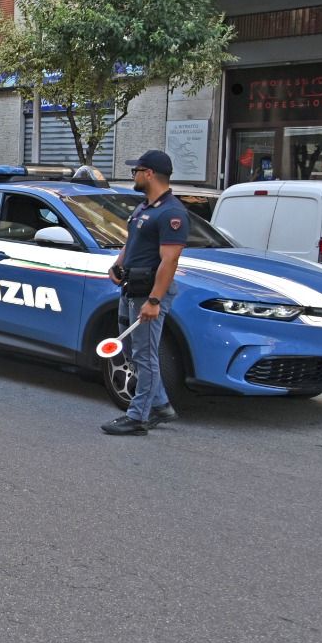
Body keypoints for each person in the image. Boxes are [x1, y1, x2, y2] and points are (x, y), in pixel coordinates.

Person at [102, 149, 190, 436]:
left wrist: (154, 300)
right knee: (130, 350)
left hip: (149, 293)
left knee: (145, 354)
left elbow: (169, 260)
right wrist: (117, 265)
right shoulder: (145, 207)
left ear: (149, 173)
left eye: (136, 171)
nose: (134, 176)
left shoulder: (172, 212)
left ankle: (138, 416)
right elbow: (133, 242)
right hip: (131, 288)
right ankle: (161, 404)